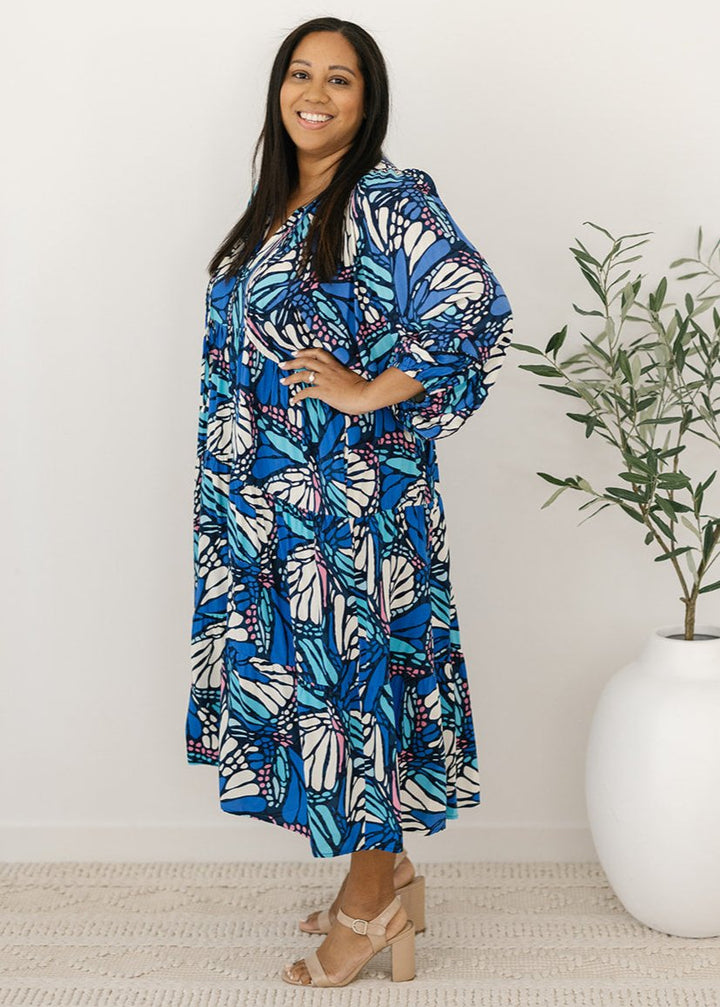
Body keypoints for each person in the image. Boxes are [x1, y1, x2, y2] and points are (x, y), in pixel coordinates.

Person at [184, 15, 513, 987]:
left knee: (352, 691)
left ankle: (370, 908)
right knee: (326, 687)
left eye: (340, 78)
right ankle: (390, 870)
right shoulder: (283, 204)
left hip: (346, 502)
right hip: (273, 505)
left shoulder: (383, 197)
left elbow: (472, 304)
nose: (315, 93)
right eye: (301, 73)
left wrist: (368, 392)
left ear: (367, 104)